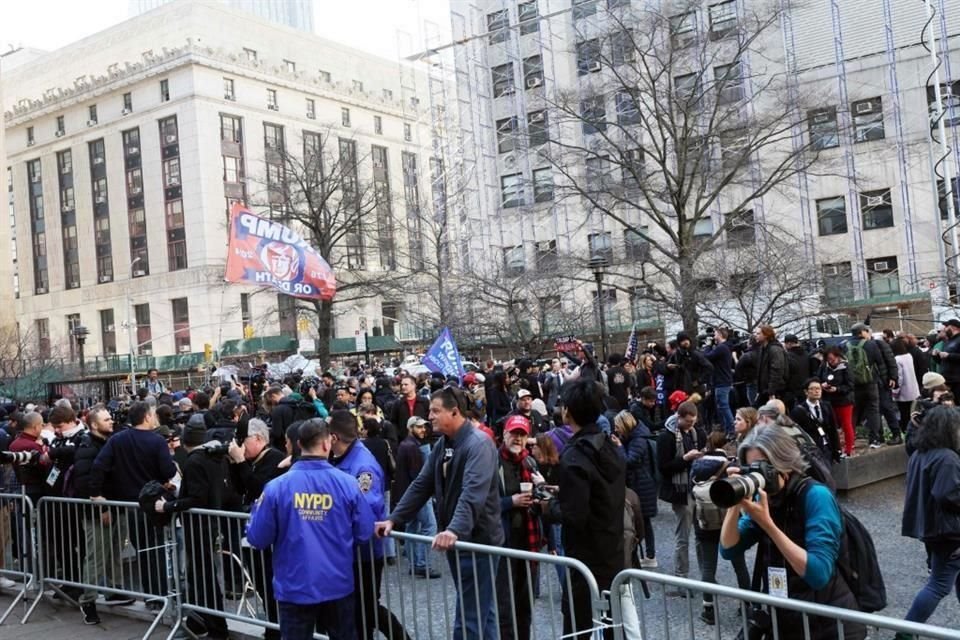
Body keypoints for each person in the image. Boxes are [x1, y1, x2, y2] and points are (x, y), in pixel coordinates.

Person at [376, 387, 502, 640]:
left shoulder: (478, 444)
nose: (429, 416)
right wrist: (394, 518)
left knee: (470, 617)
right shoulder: (443, 444)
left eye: (435, 411)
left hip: (477, 541)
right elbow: (422, 484)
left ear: (454, 412)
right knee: (481, 612)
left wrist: (454, 529)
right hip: (461, 540)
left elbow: (472, 494)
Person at [720, 425, 866, 640]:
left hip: (828, 623)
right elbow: (729, 549)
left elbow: (818, 574)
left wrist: (768, 525)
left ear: (784, 464)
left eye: (762, 467)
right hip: (786, 619)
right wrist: (734, 499)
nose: (756, 475)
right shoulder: (766, 498)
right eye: (750, 468)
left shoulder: (816, 496)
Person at [247, 418, 375, 640]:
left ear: (298, 444)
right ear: (327, 444)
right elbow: (364, 532)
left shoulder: (277, 487)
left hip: (294, 586)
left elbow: (257, 537)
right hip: (337, 584)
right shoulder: (348, 484)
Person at [543, 378, 625, 640]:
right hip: (612, 549)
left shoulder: (575, 456)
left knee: (580, 628)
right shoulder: (609, 446)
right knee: (608, 624)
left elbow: (574, 514)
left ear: (568, 410)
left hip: (585, 558)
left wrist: (547, 506)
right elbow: (600, 491)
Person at [89, 402, 178, 608]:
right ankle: (160, 597)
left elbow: (99, 466)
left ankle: (152, 597)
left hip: (130, 504)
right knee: (155, 551)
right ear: (147, 417)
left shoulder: (117, 440)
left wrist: (96, 493)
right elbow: (168, 471)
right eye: (153, 415)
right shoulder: (156, 441)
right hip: (152, 503)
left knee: (145, 552)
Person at [155, 419, 231, 639]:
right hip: (208, 524)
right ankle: (199, 621)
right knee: (198, 576)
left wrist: (167, 506)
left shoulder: (195, 461)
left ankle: (215, 627)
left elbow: (197, 497)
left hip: (199, 526)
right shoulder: (215, 458)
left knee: (202, 578)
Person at [899, 406, 960, 636]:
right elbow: (949, 495)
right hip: (949, 531)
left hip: (932, 527)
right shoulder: (948, 458)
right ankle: (904, 633)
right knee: (939, 585)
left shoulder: (920, 454)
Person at [71, 405, 133, 625]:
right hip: (98, 512)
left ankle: (113, 590)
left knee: (115, 552)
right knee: (96, 557)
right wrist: (101, 509)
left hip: (116, 508)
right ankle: (88, 601)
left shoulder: (110, 442)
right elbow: (85, 483)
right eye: (106, 420)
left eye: (111, 418)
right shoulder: (88, 447)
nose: (111, 422)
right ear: (94, 424)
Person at [690, 431, 750, 625]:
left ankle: (708, 609)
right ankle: (747, 604)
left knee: (708, 568)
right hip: (729, 522)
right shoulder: (729, 465)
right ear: (724, 446)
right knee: (739, 565)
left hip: (704, 525)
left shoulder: (697, 465)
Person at [495, 414, 541, 640]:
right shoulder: (493, 462)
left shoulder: (529, 462)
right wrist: (510, 502)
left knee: (525, 606)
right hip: (503, 543)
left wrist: (542, 494)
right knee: (504, 606)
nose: (518, 439)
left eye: (522, 435)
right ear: (504, 434)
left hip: (529, 544)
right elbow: (482, 502)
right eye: (514, 434)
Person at [657, 400, 707, 581]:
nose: (690, 425)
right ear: (678, 417)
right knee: (683, 536)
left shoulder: (697, 432)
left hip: (696, 487)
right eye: (687, 422)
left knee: (702, 535)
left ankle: (706, 575)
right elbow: (663, 467)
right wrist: (686, 458)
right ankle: (681, 575)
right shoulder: (666, 437)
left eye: (693, 422)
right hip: (680, 491)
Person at [392, 416, 439, 578]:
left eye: (424, 427)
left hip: (407, 494)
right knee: (430, 527)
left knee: (412, 528)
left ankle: (415, 564)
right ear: (410, 428)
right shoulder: (412, 447)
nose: (423, 430)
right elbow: (418, 476)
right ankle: (422, 564)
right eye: (419, 427)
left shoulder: (407, 444)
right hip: (416, 495)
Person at [616, 410, 658, 568]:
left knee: (644, 520)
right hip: (641, 483)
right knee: (644, 521)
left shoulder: (638, 440)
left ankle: (650, 555)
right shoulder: (637, 437)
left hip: (641, 485)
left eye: (617, 426)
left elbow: (629, 460)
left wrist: (619, 446)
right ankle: (648, 554)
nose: (616, 429)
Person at [848, 323, 897, 448]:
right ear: (862, 332)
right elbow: (881, 363)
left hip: (853, 384)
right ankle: (875, 438)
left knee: (854, 411)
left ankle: (850, 440)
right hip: (871, 382)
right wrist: (889, 379)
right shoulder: (872, 344)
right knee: (874, 410)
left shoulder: (844, 345)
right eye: (867, 331)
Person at [790, 379, 841, 463]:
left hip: (826, 448)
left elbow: (833, 429)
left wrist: (837, 449)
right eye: (813, 389)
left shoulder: (826, 406)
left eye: (818, 388)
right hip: (811, 450)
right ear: (806, 392)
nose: (816, 391)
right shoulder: (798, 411)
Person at [819, 348, 856, 457]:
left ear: (838, 356)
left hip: (844, 400)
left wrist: (837, 389)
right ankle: (836, 447)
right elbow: (818, 377)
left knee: (846, 424)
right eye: (829, 360)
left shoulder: (845, 367)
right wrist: (822, 384)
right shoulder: (824, 367)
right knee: (831, 425)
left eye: (833, 359)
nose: (831, 361)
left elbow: (850, 386)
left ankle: (848, 449)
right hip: (829, 400)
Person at [704, 328, 735, 437]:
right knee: (722, 407)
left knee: (724, 407)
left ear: (721, 335)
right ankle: (728, 430)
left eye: (716, 334)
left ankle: (732, 430)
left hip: (722, 381)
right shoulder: (725, 347)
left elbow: (707, 356)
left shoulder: (722, 347)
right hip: (723, 381)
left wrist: (708, 346)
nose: (714, 336)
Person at [892, 337, 921, 440]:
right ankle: (916, 432)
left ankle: (906, 433)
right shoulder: (909, 356)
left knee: (904, 415)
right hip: (913, 389)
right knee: (913, 413)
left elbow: (899, 378)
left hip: (904, 392)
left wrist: (895, 391)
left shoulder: (897, 359)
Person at [388, 375, 430, 443]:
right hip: (405, 441)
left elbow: (429, 419)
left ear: (413, 385)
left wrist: (426, 432)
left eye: (406, 384)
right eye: (402, 385)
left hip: (423, 441)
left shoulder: (424, 401)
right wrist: (399, 435)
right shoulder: (398, 403)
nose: (403, 387)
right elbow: (393, 422)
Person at [755, 326, 787, 406]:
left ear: (766, 335)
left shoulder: (774, 349)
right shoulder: (763, 348)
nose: (756, 335)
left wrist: (771, 391)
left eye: (758, 333)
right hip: (765, 390)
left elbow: (777, 371)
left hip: (773, 391)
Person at [930, 318, 960, 399]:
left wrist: (949, 355)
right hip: (947, 380)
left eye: (947, 327)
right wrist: (936, 355)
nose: (945, 329)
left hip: (957, 381)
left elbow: (949, 356)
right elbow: (942, 362)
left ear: (954, 328)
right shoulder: (948, 342)